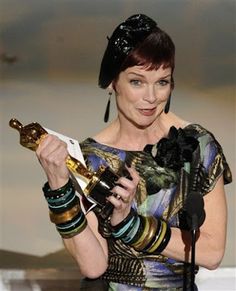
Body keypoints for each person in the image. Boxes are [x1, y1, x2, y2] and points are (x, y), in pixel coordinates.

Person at [35, 14, 232, 290]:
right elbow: (93, 266)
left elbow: (212, 252)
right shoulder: (88, 158)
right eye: (137, 82)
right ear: (113, 82)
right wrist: (59, 188)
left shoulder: (197, 146)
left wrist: (130, 225)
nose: (151, 97)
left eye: (162, 81)